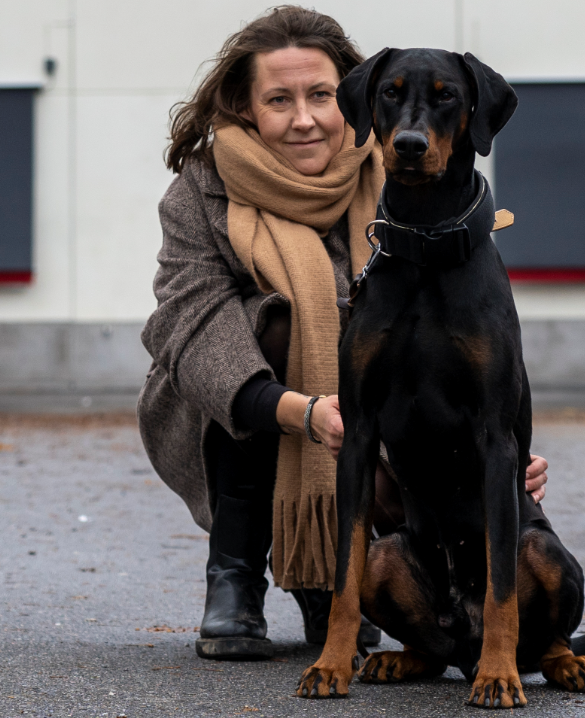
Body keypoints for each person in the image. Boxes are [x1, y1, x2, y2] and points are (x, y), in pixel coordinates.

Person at [137, 5, 549, 661]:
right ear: (246, 107)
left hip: (375, 417)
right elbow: (190, 325)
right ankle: (235, 573)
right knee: (279, 324)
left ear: (349, 102)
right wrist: (302, 412)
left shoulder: (400, 170)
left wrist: (495, 450)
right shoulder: (202, 191)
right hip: (236, 405)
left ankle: (328, 581)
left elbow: (459, 347)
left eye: (320, 96)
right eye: (279, 99)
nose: (303, 118)